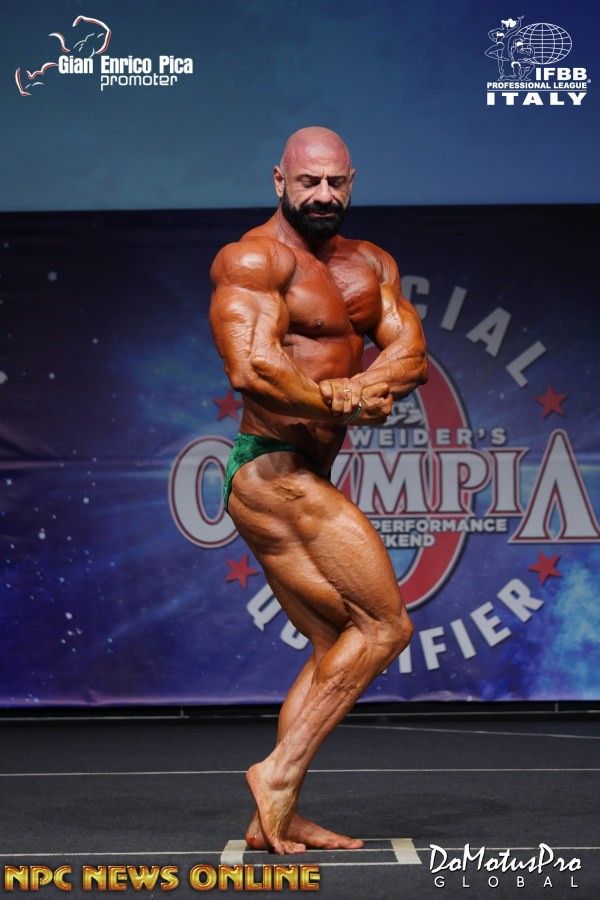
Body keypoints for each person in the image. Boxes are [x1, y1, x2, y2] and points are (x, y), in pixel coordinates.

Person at [209, 126, 427, 854]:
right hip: (271, 468)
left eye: (336, 182)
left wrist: (367, 386)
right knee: (385, 627)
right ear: (280, 181)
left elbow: (411, 353)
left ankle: (277, 814)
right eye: (309, 182)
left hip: (304, 471)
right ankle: (276, 773)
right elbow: (251, 367)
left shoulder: (371, 264)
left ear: (352, 182)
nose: (324, 194)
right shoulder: (253, 259)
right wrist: (339, 401)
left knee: (337, 639)